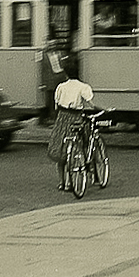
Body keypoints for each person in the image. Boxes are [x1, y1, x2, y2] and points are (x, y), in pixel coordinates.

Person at [47, 61, 98, 191]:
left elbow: (56, 105)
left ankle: (62, 182)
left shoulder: (61, 87)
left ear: (66, 74)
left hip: (62, 118)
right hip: (76, 118)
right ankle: (87, 167)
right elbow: (91, 104)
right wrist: (104, 109)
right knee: (83, 143)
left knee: (60, 148)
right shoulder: (83, 86)